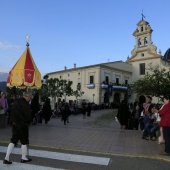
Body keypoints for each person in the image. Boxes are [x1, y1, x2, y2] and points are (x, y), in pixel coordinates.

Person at [3, 92, 32, 164]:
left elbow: (12, 112)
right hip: (22, 124)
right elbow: (27, 115)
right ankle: (23, 157)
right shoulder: (25, 104)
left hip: (14, 123)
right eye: (30, 97)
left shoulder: (16, 101)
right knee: (24, 141)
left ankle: (6, 158)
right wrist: (29, 121)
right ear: (26, 96)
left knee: (13, 140)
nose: (30, 99)